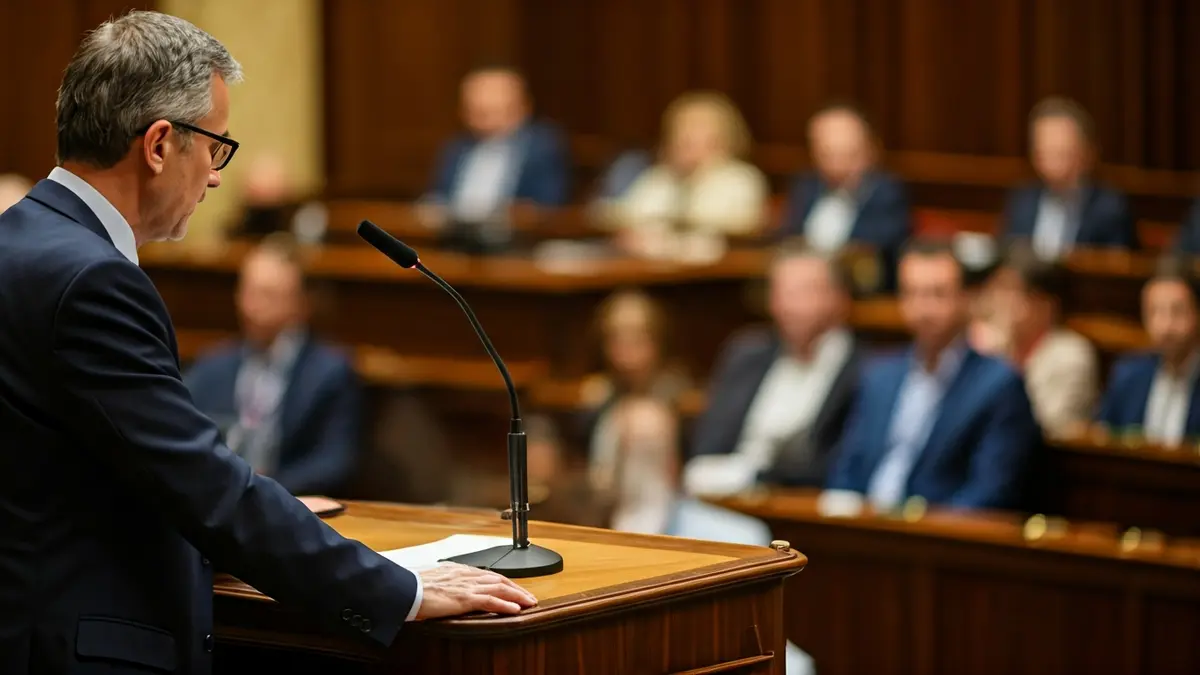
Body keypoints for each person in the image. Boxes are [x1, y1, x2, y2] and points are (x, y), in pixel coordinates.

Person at [0, 12, 533, 674]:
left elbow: (88, 464)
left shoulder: (17, 240)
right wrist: (406, 590)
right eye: (217, 145)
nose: (217, 174)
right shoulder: (91, 278)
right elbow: (205, 488)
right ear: (160, 144)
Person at [826, 240, 1040, 511]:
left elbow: (991, 490)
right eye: (912, 293)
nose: (923, 308)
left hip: (938, 539)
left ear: (965, 299)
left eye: (937, 294)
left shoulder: (998, 384)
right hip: (863, 527)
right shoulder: (878, 376)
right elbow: (847, 471)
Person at [185, 233, 362, 496]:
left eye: (268, 295)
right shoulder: (210, 367)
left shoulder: (330, 372)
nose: (252, 306)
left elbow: (333, 462)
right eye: (248, 291)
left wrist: (263, 492)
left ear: (300, 303)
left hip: (290, 504)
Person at [685, 241, 862, 495]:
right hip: (722, 494)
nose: (791, 306)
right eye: (782, 293)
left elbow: (836, 464)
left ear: (839, 298)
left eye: (805, 292)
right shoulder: (746, 354)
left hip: (798, 506)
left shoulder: (862, 371)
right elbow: (708, 445)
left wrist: (757, 476)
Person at [419, 64, 570, 253]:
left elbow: (547, 207)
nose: (484, 121)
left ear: (522, 107)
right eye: (476, 111)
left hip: (516, 247)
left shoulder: (543, 146)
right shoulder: (456, 147)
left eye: (493, 111)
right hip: (453, 242)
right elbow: (437, 197)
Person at [605, 91, 768, 261]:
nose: (688, 152)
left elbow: (723, 233)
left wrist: (662, 242)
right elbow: (627, 217)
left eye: (696, 141)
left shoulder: (740, 180)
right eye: (681, 141)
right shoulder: (660, 177)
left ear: (724, 143)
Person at [971, 246, 1098, 438]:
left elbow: (1044, 430)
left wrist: (1000, 362)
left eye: (1011, 291)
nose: (999, 302)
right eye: (996, 290)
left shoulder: (1070, 356)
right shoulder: (991, 345)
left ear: (1046, 304)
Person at [1001, 97, 1136, 258]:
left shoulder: (1109, 209)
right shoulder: (1023, 200)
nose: (1052, 166)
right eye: (1044, 153)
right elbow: (1005, 255)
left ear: (1087, 153)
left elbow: (1117, 270)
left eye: (1062, 154)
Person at [778, 103, 911, 261]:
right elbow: (787, 237)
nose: (838, 167)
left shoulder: (887, 193)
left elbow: (883, 245)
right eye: (828, 156)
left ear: (870, 151)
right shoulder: (807, 186)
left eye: (849, 156)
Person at [1096, 255, 1200, 446]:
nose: (1165, 327)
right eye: (1154, 312)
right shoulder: (1127, 377)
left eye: (1177, 312)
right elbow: (1102, 442)